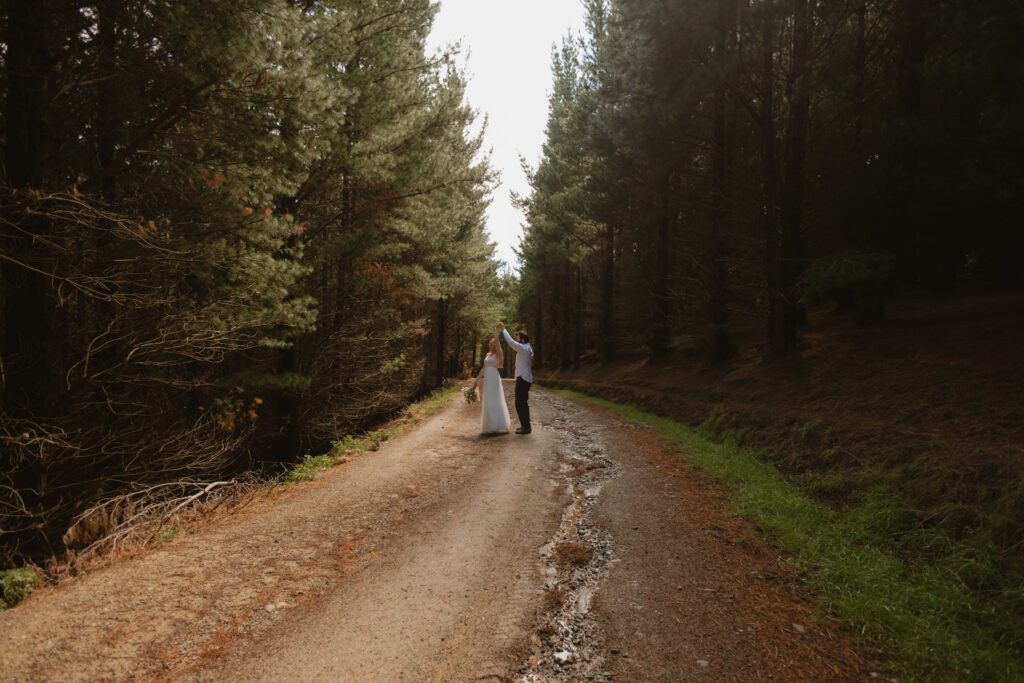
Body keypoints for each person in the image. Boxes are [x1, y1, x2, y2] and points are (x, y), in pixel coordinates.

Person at [497, 322, 533, 434]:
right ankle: (525, 426)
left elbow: (510, 342)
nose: (516, 338)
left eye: (518, 337)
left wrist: (503, 330)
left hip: (523, 379)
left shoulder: (523, 348)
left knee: (520, 403)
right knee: (522, 403)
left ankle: (526, 427)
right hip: (525, 378)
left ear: (522, 339)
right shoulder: (527, 348)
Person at [473, 334, 511, 435]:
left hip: (494, 379)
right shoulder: (487, 355)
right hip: (487, 379)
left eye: (493, 344)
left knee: (494, 401)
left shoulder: (498, 355)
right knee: (487, 401)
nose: (491, 346)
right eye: (490, 344)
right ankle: (489, 426)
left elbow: (500, 360)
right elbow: (484, 369)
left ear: (496, 345)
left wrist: (497, 339)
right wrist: (477, 379)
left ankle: (496, 425)